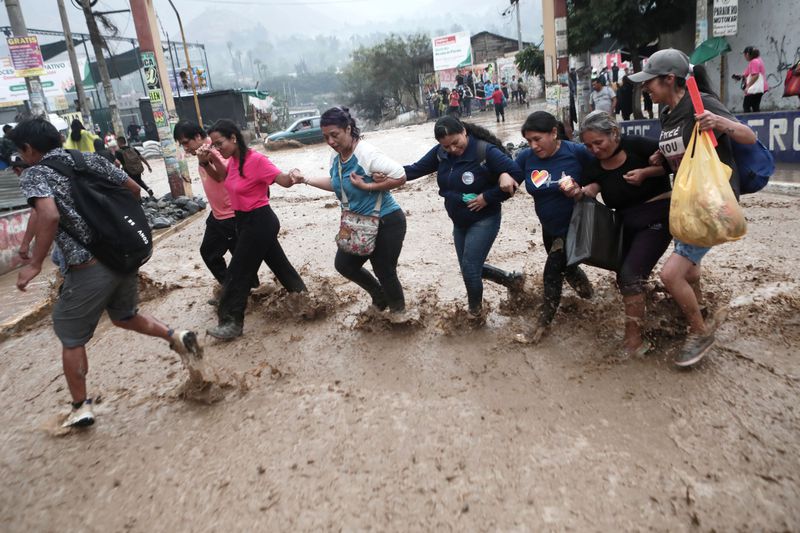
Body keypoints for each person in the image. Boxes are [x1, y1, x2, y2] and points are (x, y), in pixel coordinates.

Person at [9, 118, 201, 428]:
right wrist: (115, 225)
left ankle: (80, 407)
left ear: (28, 149)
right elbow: (133, 191)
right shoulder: (89, 159)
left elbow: (48, 213)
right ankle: (176, 335)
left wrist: (33, 263)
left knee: (70, 335)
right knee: (124, 316)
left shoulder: (35, 174)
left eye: (21, 151)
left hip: (87, 265)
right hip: (121, 255)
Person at [630, 48, 756, 367]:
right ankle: (699, 310)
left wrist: (719, 122)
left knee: (672, 275)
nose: (646, 88)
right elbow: (683, 160)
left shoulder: (701, 105)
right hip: (687, 202)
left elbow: (749, 136)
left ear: (670, 79)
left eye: (650, 83)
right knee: (690, 269)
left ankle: (699, 333)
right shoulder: (667, 115)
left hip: (713, 203)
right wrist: (658, 161)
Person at [383, 116, 523, 316]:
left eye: (456, 143)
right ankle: (511, 280)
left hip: (484, 219)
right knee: (469, 268)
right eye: (447, 146)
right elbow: (414, 170)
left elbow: (517, 174)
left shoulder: (484, 151)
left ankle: (475, 316)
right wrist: (383, 174)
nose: (453, 150)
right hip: (459, 222)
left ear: (464, 131)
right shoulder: (441, 154)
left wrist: (487, 197)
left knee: (470, 270)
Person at [571, 111, 672, 358]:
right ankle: (660, 313)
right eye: (588, 145)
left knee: (630, 275)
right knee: (624, 276)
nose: (594, 149)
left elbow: (676, 164)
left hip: (658, 218)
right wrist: (578, 191)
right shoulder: (594, 165)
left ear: (614, 134)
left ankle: (634, 342)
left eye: (599, 142)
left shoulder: (640, 146)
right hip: (626, 224)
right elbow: (594, 187)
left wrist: (647, 172)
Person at [292, 107, 409, 317]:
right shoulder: (336, 158)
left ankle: (399, 315)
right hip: (355, 223)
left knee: (384, 270)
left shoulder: (366, 153)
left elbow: (400, 176)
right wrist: (306, 179)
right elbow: (336, 184)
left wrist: (369, 186)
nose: (330, 141)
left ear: (348, 129)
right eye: (326, 136)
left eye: (334, 135)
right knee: (344, 264)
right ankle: (380, 296)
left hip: (386, 221)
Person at [202, 119, 307, 340]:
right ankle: (305, 302)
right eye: (214, 145)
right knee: (280, 265)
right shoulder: (233, 162)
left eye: (220, 144)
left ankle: (232, 322)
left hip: (259, 221)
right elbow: (221, 178)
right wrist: (206, 162)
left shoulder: (256, 160)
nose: (217, 149)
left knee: (238, 272)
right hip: (245, 222)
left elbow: (283, 180)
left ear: (233, 138)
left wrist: (294, 174)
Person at [509, 111, 595, 343]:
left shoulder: (575, 152)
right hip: (550, 228)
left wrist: (583, 190)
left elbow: (602, 173)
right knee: (566, 268)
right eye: (529, 141)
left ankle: (541, 327)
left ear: (554, 133)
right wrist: (504, 178)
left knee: (551, 273)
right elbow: (511, 176)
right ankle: (591, 299)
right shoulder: (527, 158)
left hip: (576, 225)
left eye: (538, 139)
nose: (534, 145)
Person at [173, 120, 251, 304]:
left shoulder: (216, 150)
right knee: (210, 253)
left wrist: (207, 160)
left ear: (198, 137)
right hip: (217, 214)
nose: (186, 148)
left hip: (230, 215)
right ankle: (234, 290)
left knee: (233, 257)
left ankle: (237, 293)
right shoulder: (204, 151)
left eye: (186, 143)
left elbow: (224, 175)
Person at [732, 46, 768, 112]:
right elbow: (749, 73)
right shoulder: (758, 60)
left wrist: (748, 87)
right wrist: (740, 77)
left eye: (744, 54)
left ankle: (748, 121)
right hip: (760, 88)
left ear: (747, 54)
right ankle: (757, 120)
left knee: (746, 106)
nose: (744, 56)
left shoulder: (754, 62)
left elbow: (755, 75)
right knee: (755, 106)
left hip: (754, 88)